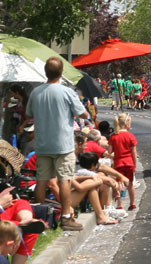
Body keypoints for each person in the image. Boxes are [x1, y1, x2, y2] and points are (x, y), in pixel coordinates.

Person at [25, 56, 87, 231]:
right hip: (63, 144)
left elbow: (29, 113)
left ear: (46, 72)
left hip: (43, 143)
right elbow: (82, 114)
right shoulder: (67, 92)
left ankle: (39, 216)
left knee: (42, 180)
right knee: (64, 181)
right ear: (61, 72)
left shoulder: (36, 92)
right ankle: (66, 217)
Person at [108, 113, 138, 211]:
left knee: (119, 183)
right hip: (129, 162)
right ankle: (132, 203)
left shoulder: (113, 136)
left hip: (118, 163)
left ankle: (119, 204)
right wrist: (135, 164)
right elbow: (134, 152)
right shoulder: (131, 136)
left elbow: (109, 152)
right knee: (130, 184)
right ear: (126, 124)